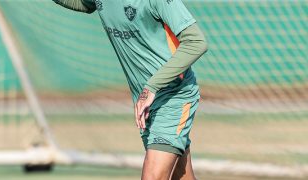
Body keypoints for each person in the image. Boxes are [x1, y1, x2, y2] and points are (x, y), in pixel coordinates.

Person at [52, 0, 208, 179]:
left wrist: (151, 87)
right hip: (146, 103)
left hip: (174, 97)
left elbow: (196, 42)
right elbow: (84, 3)